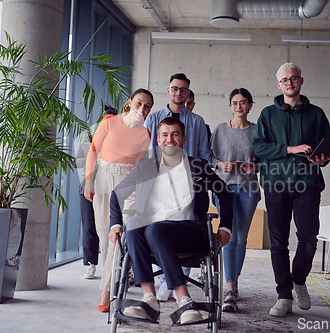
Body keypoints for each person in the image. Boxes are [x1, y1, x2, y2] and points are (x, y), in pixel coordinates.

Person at [109, 117, 233, 324]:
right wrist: (115, 224)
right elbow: (117, 193)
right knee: (134, 224)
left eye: (175, 134)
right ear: (158, 140)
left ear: (183, 138)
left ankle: (183, 299)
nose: (170, 139)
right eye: (165, 135)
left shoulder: (199, 166)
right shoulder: (146, 166)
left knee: (154, 229)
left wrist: (226, 226)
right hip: (151, 234)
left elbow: (226, 194)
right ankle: (149, 298)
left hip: (189, 232)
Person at [252, 63, 330, 317]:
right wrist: (290, 149)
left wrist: (323, 159)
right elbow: (259, 148)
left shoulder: (317, 114)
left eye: (294, 78)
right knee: (278, 242)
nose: (289, 83)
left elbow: (326, 149)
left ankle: (298, 280)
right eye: (284, 80)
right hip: (275, 183)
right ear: (278, 85)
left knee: (308, 239)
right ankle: (284, 296)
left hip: (307, 182)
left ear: (301, 81)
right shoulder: (267, 114)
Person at [84, 88, 154, 312]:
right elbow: (93, 151)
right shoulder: (109, 122)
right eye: (139, 103)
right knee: (104, 235)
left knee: (117, 234)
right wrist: (88, 181)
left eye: (147, 106)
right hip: (103, 178)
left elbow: (140, 166)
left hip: (127, 183)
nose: (142, 109)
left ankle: (107, 290)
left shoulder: (145, 133)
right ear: (129, 103)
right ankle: (116, 274)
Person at [143, 73, 210, 301]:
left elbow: (203, 154)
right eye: (175, 89)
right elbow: (147, 150)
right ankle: (165, 282)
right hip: (159, 178)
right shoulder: (153, 119)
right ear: (169, 90)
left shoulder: (197, 122)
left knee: (185, 218)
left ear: (188, 93)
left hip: (187, 181)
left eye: (183, 90)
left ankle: (175, 280)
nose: (178, 93)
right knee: (157, 223)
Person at [210, 88, 261, 312]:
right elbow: (210, 157)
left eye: (243, 102)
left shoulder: (258, 131)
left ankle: (234, 282)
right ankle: (230, 290)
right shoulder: (220, 130)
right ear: (230, 106)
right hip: (225, 187)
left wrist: (255, 166)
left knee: (242, 238)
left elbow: (265, 160)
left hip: (249, 187)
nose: (238, 106)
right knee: (229, 235)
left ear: (250, 105)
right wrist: (222, 165)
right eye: (234, 103)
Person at [74, 105, 117, 280]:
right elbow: (81, 160)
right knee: (90, 226)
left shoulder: (118, 135)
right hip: (88, 186)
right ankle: (90, 264)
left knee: (110, 225)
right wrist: (87, 184)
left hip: (110, 187)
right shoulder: (88, 134)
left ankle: (114, 264)